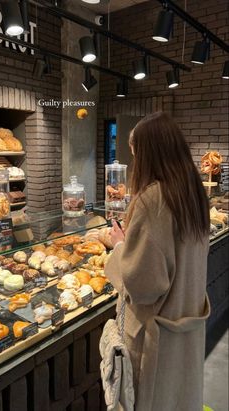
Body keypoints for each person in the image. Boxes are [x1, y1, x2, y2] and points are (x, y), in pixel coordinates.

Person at [104, 111, 210, 411]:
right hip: (186, 327)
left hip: (156, 340)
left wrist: (120, 245)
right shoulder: (193, 194)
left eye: (136, 154)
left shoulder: (152, 200)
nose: (136, 162)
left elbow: (143, 285)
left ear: (150, 153)